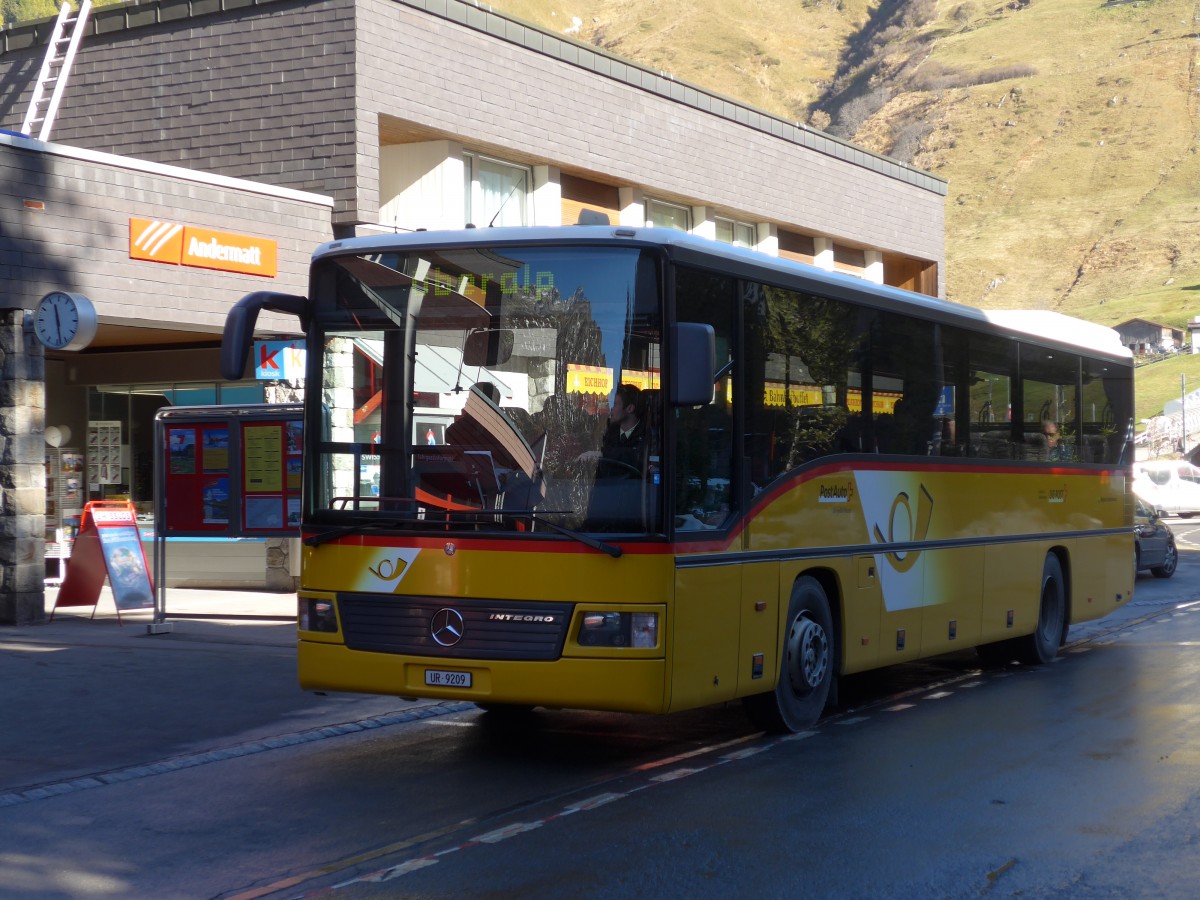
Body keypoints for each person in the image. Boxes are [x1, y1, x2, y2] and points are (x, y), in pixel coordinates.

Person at [578, 383, 646, 477]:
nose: (611, 409)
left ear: (630, 408)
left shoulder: (647, 434)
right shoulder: (609, 430)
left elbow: (637, 457)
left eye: (614, 404)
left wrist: (603, 454)